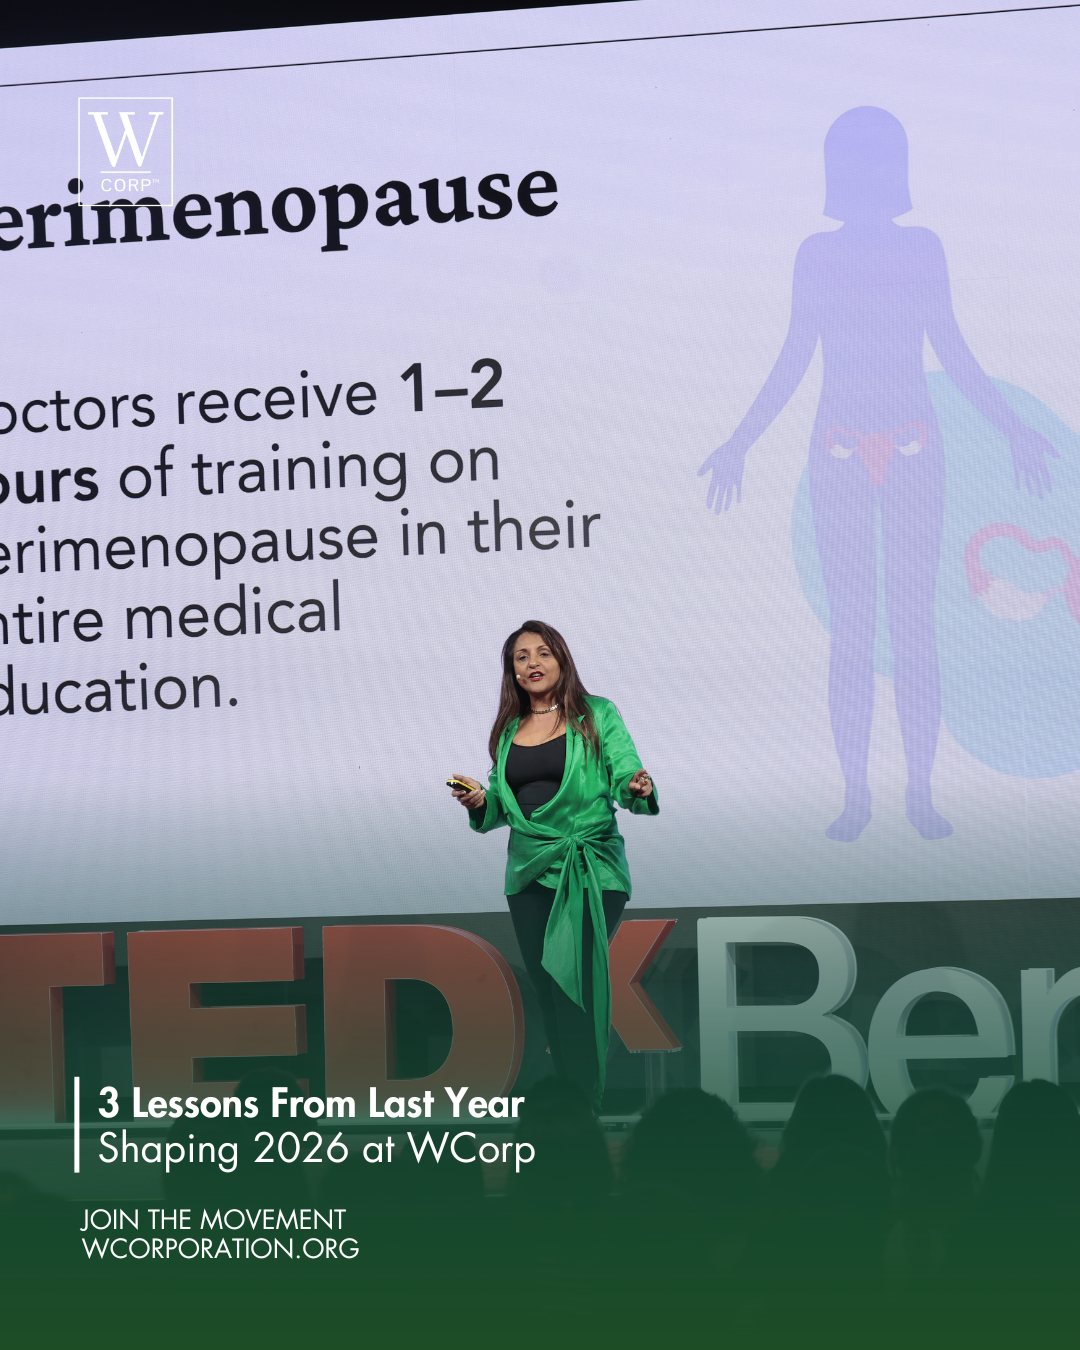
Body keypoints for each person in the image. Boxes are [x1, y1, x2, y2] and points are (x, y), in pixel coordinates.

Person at [699, 106, 1057, 842]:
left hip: (916, 451)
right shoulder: (816, 255)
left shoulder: (922, 248)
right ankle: (858, 795)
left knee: (915, 625)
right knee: (854, 631)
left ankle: (919, 792)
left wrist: (1014, 428)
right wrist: (740, 441)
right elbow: (795, 353)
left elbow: (951, 346)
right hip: (837, 453)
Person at [451, 621, 658, 1108]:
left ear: (562, 659)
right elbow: (504, 803)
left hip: (589, 866)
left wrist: (635, 786)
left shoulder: (596, 714)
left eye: (543, 653)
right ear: (512, 671)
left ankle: (584, 1103)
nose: (533, 663)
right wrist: (480, 800)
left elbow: (625, 769)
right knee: (547, 989)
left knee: (573, 985)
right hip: (528, 870)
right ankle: (569, 1104)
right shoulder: (508, 729)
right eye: (521, 657)